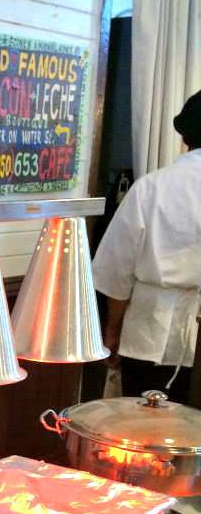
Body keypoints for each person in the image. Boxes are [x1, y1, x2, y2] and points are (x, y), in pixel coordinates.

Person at [92, 90, 201, 403]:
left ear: (185, 138)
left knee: (142, 436)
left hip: (147, 335)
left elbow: (116, 270)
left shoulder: (151, 188)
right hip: (192, 341)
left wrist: (112, 330)